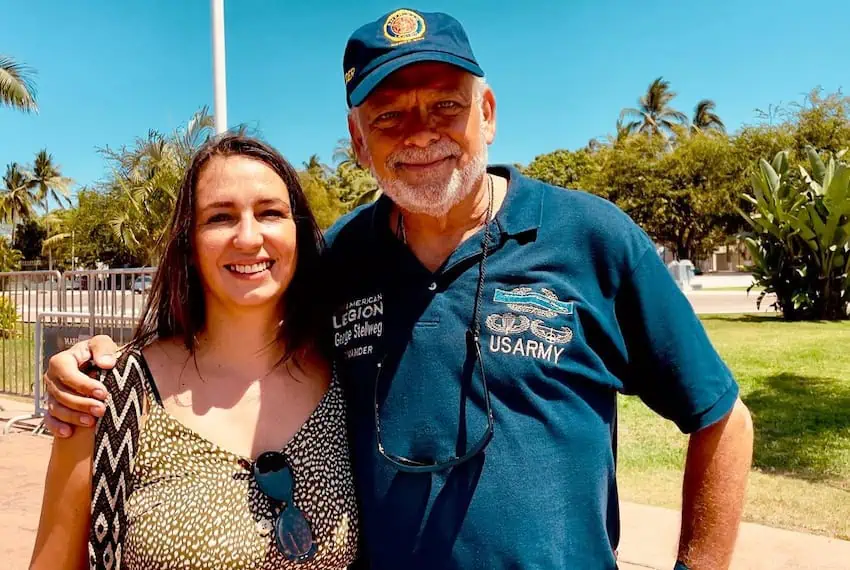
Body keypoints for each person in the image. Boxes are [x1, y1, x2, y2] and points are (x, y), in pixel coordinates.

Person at [42, 8, 754, 570]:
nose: (420, 134)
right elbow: (238, 314)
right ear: (358, 141)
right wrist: (101, 359)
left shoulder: (591, 237)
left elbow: (720, 416)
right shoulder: (341, 259)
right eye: (389, 116)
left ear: (489, 114)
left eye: (445, 106)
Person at [30, 134, 361, 569]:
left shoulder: (348, 373)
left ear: (297, 232)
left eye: (271, 213)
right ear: (188, 244)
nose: (248, 237)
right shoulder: (109, 394)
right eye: (220, 217)